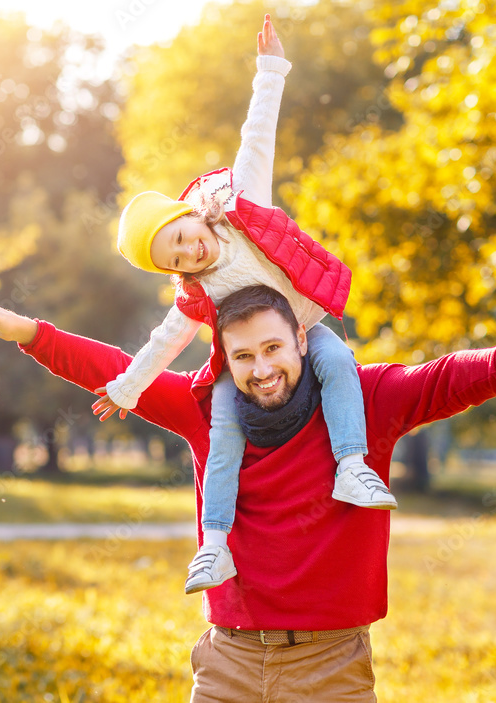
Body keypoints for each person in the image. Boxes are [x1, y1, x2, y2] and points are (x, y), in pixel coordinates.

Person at [0, 280, 496, 700]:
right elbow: (112, 368)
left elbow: (442, 378)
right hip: (230, 663)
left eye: (273, 347)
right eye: (242, 356)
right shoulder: (202, 409)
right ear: (224, 357)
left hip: (331, 668)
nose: (262, 368)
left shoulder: (364, 401)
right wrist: (28, 332)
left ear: (301, 339)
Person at [90, 15, 394, 596]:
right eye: (175, 260)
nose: (189, 252)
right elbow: (165, 343)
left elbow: (257, 136)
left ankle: (352, 466)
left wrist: (270, 69)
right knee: (224, 425)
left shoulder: (242, 207)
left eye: (181, 237)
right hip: (247, 361)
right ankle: (214, 546)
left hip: (306, 328)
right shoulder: (197, 294)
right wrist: (127, 388)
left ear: (188, 215)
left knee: (339, 367)